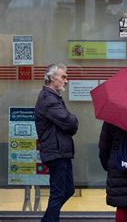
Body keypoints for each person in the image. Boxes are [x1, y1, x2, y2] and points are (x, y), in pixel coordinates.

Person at [34, 63, 79, 222]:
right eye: (63, 77)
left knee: (68, 189)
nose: (66, 81)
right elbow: (69, 122)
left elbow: (68, 124)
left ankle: (48, 219)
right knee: (59, 192)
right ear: (52, 78)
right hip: (56, 152)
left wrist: (71, 121)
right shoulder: (48, 99)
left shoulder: (53, 98)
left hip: (61, 151)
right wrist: (73, 119)